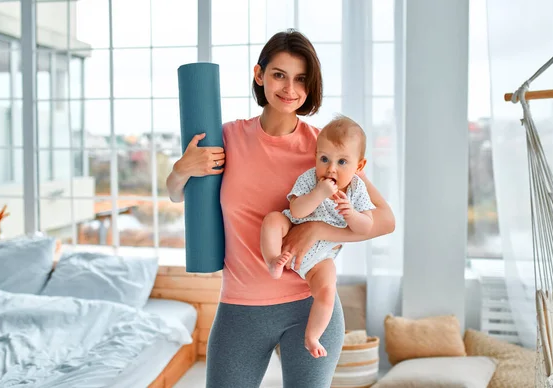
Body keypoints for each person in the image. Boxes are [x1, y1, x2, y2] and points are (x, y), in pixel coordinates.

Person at [166, 29, 395, 388]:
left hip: (309, 304)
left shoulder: (323, 148)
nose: (290, 89)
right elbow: (179, 195)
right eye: (279, 75)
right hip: (240, 307)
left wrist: (319, 229)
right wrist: (181, 170)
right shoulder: (227, 137)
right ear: (259, 75)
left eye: (301, 79)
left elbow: (385, 219)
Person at [260, 115, 375, 358]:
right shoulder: (310, 179)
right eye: (324, 159)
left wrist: (352, 215)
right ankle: (273, 260)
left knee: (327, 291)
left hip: (321, 257)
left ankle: (312, 336)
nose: (331, 168)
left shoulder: (357, 189)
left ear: (359, 166)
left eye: (342, 161)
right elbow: (296, 210)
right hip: (290, 232)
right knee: (272, 220)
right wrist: (319, 193)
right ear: (315, 157)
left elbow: (366, 227)